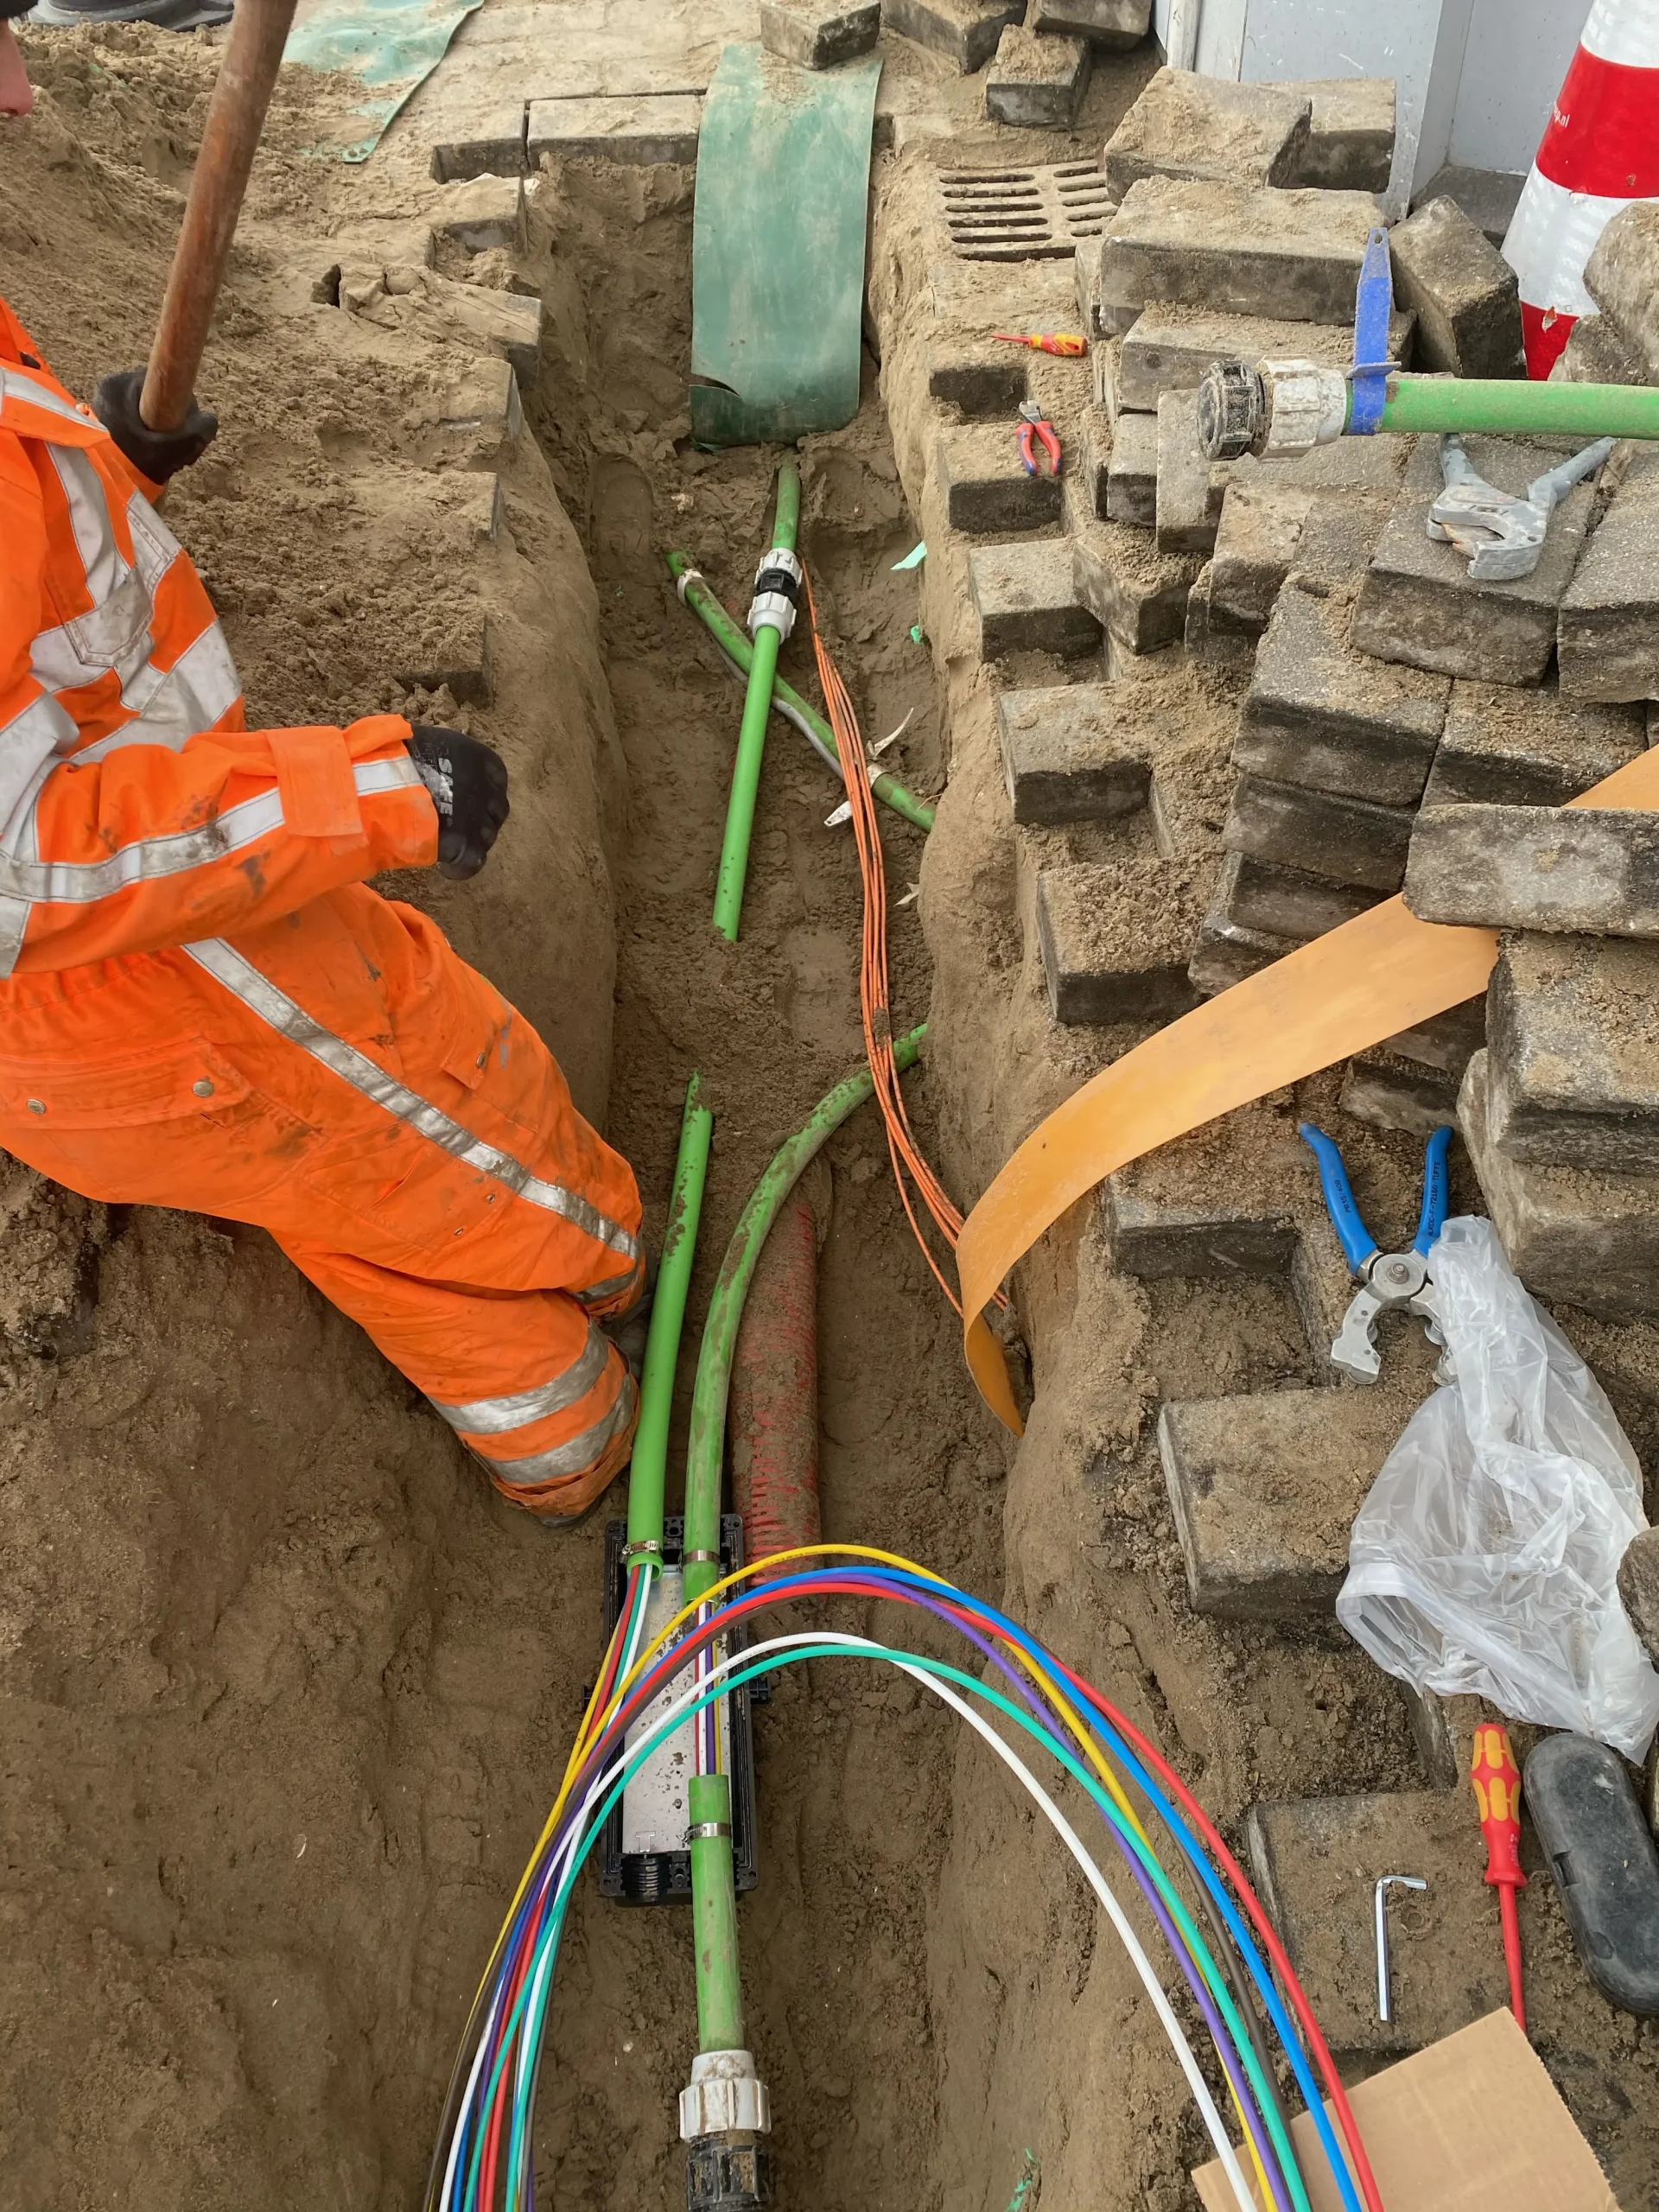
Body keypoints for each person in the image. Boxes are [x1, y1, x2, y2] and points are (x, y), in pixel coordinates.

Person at [0, 15, 647, 1524]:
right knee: (444, 1119)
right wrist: (376, 793)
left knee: (357, 1160)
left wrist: (94, 477)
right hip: (133, 980)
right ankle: (601, 1399)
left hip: (147, 930)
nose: (27, 83)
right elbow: (20, 862)